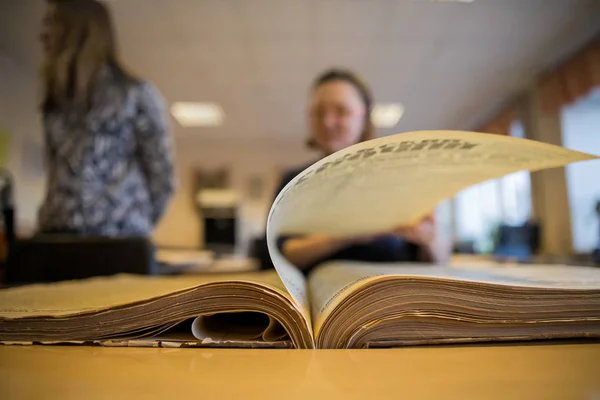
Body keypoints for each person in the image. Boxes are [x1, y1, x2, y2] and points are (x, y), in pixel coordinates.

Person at [273, 69, 451, 273]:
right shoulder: (293, 182)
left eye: (341, 111)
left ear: (364, 117)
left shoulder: (399, 179)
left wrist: (430, 239)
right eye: (319, 112)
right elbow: (277, 254)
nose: (328, 121)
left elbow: (436, 258)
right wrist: (349, 234)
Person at [37, 0, 175, 237]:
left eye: (52, 23)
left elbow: (163, 178)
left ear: (79, 31)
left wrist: (132, 221)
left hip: (119, 241)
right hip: (57, 237)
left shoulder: (135, 95)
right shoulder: (56, 103)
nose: (42, 34)